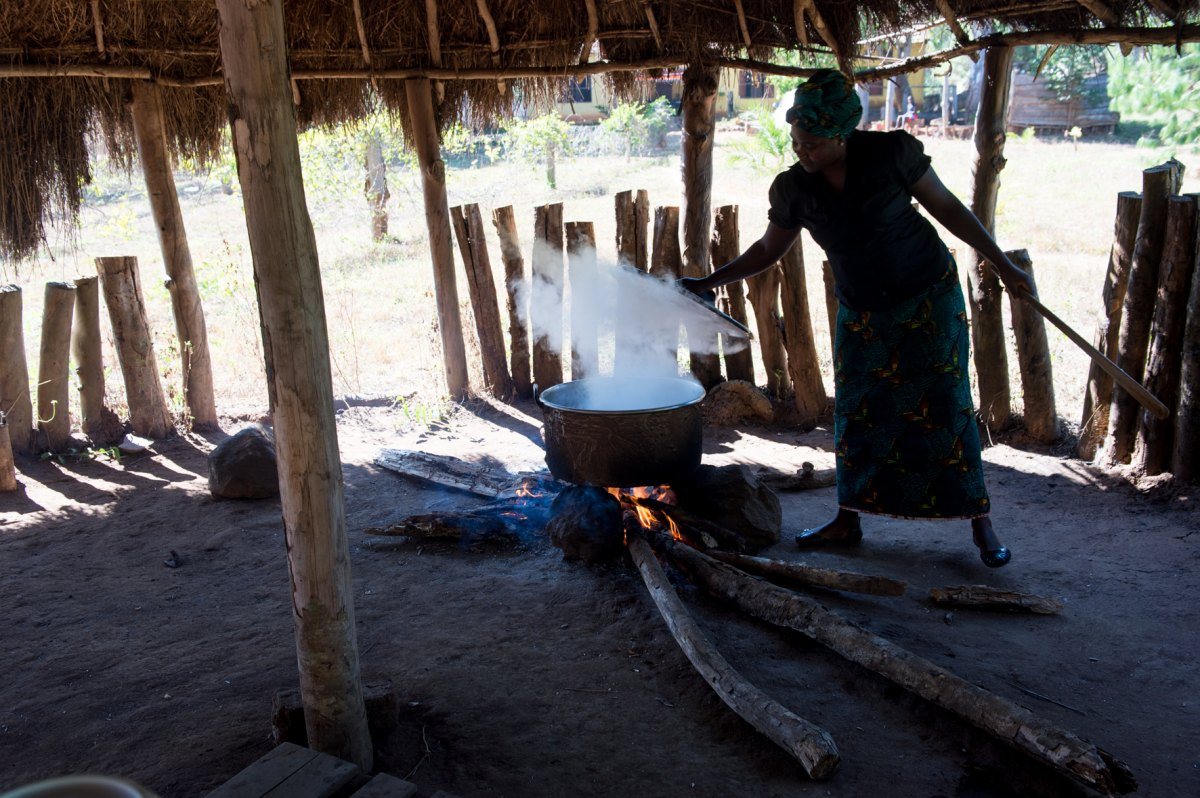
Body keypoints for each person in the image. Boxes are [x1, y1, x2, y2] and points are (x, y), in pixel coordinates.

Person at [681, 69, 1034, 568]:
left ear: (844, 133)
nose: (802, 151)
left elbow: (948, 209)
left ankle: (980, 524)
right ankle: (848, 520)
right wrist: (709, 281)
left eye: (814, 143)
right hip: (862, 310)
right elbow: (768, 249)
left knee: (945, 407)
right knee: (857, 414)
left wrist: (1002, 262)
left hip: (926, 298)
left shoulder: (893, 155)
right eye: (797, 141)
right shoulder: (793, 189)